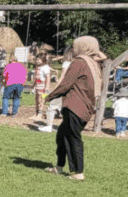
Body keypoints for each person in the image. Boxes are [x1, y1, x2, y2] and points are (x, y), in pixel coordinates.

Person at [44, 35, 107, 181]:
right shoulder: (94, 63)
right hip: (84, 106)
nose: (72, 49)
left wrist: (47, 97)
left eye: (74, 46)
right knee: (62, 136)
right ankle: (59, 167)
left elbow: (66, 84)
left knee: (73, 138)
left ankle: (78, 172)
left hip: (76, 106)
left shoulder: (80, 62)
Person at [40, 45, 72, 133]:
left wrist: (56, 88)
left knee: (52, 107)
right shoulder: (77, 63)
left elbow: (62, 77)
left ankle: (49, 126)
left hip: (64, 88)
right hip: (73, 89)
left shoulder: (66, 63)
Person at [1, 50, 27, 116]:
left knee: (6, 97)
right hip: (20, 84)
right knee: (16, 98)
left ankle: (4, 112)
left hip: (10, 83)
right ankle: (14, 112)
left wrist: (4, 83)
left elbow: (4, 76)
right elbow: (25, 76)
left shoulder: (8, 66)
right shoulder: (22, 66)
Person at [32, 53, 51, 120]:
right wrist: (33, 85)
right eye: (37, 60)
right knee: (37, 99)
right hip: (37, 85)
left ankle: (40, 115)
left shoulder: (45, 67)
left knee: (41, 100)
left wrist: (47, 86)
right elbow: (36, 77)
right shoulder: (37, 67)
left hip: (43, 85)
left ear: (42, 60)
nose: (37, 61)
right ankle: (36, 113)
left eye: (39, 60)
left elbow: (48, 77)